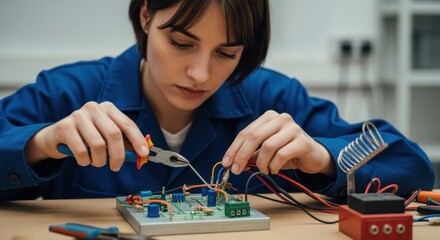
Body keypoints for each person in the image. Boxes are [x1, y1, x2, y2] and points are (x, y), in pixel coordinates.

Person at [0, 0, 434, 201]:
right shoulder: (66, 94)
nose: (201, 75)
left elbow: (411, 168)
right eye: (182, 42)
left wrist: (323, 157)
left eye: (227, 53)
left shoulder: (273, 99)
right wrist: (39, 144)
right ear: (147, 15)